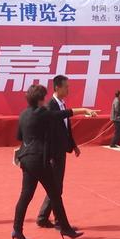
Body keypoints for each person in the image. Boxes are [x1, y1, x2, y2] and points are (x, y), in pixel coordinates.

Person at [13, 83, 95, 239]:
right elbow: (62, 114)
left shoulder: (23, 114)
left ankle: (17, 230)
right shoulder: (42, 112)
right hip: (39, 159)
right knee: (55, 194)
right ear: (41, 99)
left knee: (26, 196)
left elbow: (19, 137)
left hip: (26, 159)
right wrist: (84, 110)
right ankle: (65, 228)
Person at [37, 75, 81, 228]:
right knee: (56, 187)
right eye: (66, 87)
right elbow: (48, 133)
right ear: (57, 87)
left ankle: (43, 217)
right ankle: (57, 221)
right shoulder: (51, 106)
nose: (68, 89)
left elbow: (66, 128)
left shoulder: (62, 104)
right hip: (53, 153)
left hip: (61, 151)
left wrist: (73, 145)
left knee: (56, 186)